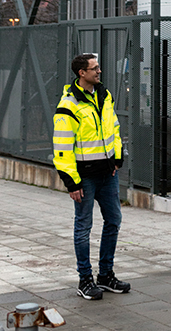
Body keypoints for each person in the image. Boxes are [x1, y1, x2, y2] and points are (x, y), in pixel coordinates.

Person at [53, 53, 130, 300]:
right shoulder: (69, 105)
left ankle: (105, 275)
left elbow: (114, 128)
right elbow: (62, 148)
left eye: (98, 67)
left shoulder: (104, 96)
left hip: (108, 174)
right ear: (82, 73)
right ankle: (85, 280)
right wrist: (71, 182)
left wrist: (117, 158)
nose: (99, 71)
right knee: (83, 228)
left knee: (114, 221)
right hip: (84, 178)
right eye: (94, 68)